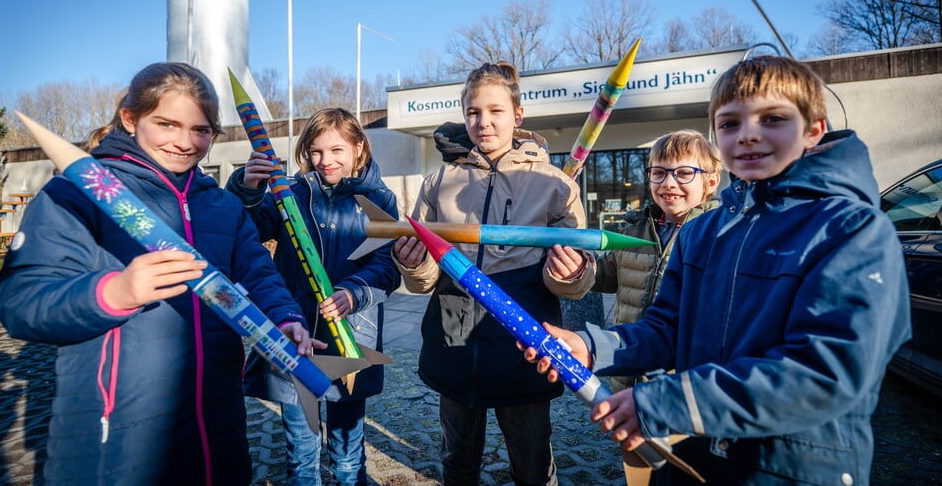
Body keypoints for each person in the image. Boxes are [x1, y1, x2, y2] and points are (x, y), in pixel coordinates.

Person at [524, 55, 912, 485]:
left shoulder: (853, 229)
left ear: (814, 129)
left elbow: (827, 371)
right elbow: (667, 329)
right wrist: (590, 346)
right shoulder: (704, 233)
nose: (748, 135)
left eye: (772, 119)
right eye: (730, 124)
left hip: (787, 469)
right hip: (693, 458)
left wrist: (662, 402)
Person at [0, 62, 318, 485]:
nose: (185, 143)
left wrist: (287, 319)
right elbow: (22, 303)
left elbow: (260, 274)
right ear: (131, 118)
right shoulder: (76, 194)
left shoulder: (221, 205)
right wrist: (114, 292)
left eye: (201, 130)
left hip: (218, 429)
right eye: (166, 124)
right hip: (115, 436)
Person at [392, 61, 596, 486]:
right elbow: (424, 280)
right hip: (456, 320)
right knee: (458, 454)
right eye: (473, 112)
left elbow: (577, 281)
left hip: (525, 327)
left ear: (517, 116)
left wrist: (570, 272)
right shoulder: (438, 182)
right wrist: (413, 261)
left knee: (532, 458)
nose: (483, 122)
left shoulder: (555, 184)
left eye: (495, 111)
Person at [226, 107, 400, 486]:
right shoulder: (290, 192)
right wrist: (247, 190)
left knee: (348, 448)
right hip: (297, 336)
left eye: (337, 150)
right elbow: (244, 234)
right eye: (317, 151)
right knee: (301, 451)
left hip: (353, 338)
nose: (326, 161)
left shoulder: (380, 199)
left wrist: (354, 294)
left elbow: (388, 265)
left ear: (358, 148)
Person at [591, 129, 721, 391]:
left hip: (680, 383)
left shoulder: (719, 237)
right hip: (627, 371)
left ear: (711, 182)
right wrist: (578, 269)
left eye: (684, 173)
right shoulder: (634, 230)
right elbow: (606, 275)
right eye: (658, 172)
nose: (668, 183)